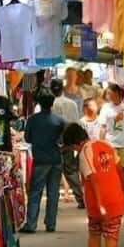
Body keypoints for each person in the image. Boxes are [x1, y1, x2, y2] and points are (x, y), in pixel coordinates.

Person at [62, 123, 124, 247]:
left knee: (95, 233)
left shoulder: (84, 153)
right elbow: (119, 169)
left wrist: (99, 205)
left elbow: (94, 179)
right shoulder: (106, 145)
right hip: (114, 199)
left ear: (75, 143)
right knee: (111, 237)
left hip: (96, 203)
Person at [23, 87, 65, 233]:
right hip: (55, 159)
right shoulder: (59, 121)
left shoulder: (32, 120)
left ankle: (31, 224)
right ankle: (51, 223)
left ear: (39, 103)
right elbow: (62, 141)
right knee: (53, 193)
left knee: (35, 192)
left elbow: (27, 138)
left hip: (40, 159)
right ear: (52, 103)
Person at [50, 78, 85, 209]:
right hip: (68, 141)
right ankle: (81, 199)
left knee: (52, 172)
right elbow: (76, 123)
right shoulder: (72, 104)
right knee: (71, 171)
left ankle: (52, 201)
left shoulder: (47, 105)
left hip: (52, 142)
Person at [98, 83, 124, 172]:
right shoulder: (105, 108)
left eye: (111, 94)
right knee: (112, 169)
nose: (109, 96)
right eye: (108, 94)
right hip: (111, 143)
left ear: (118, 93)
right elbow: (103, 127)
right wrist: (101, 144)